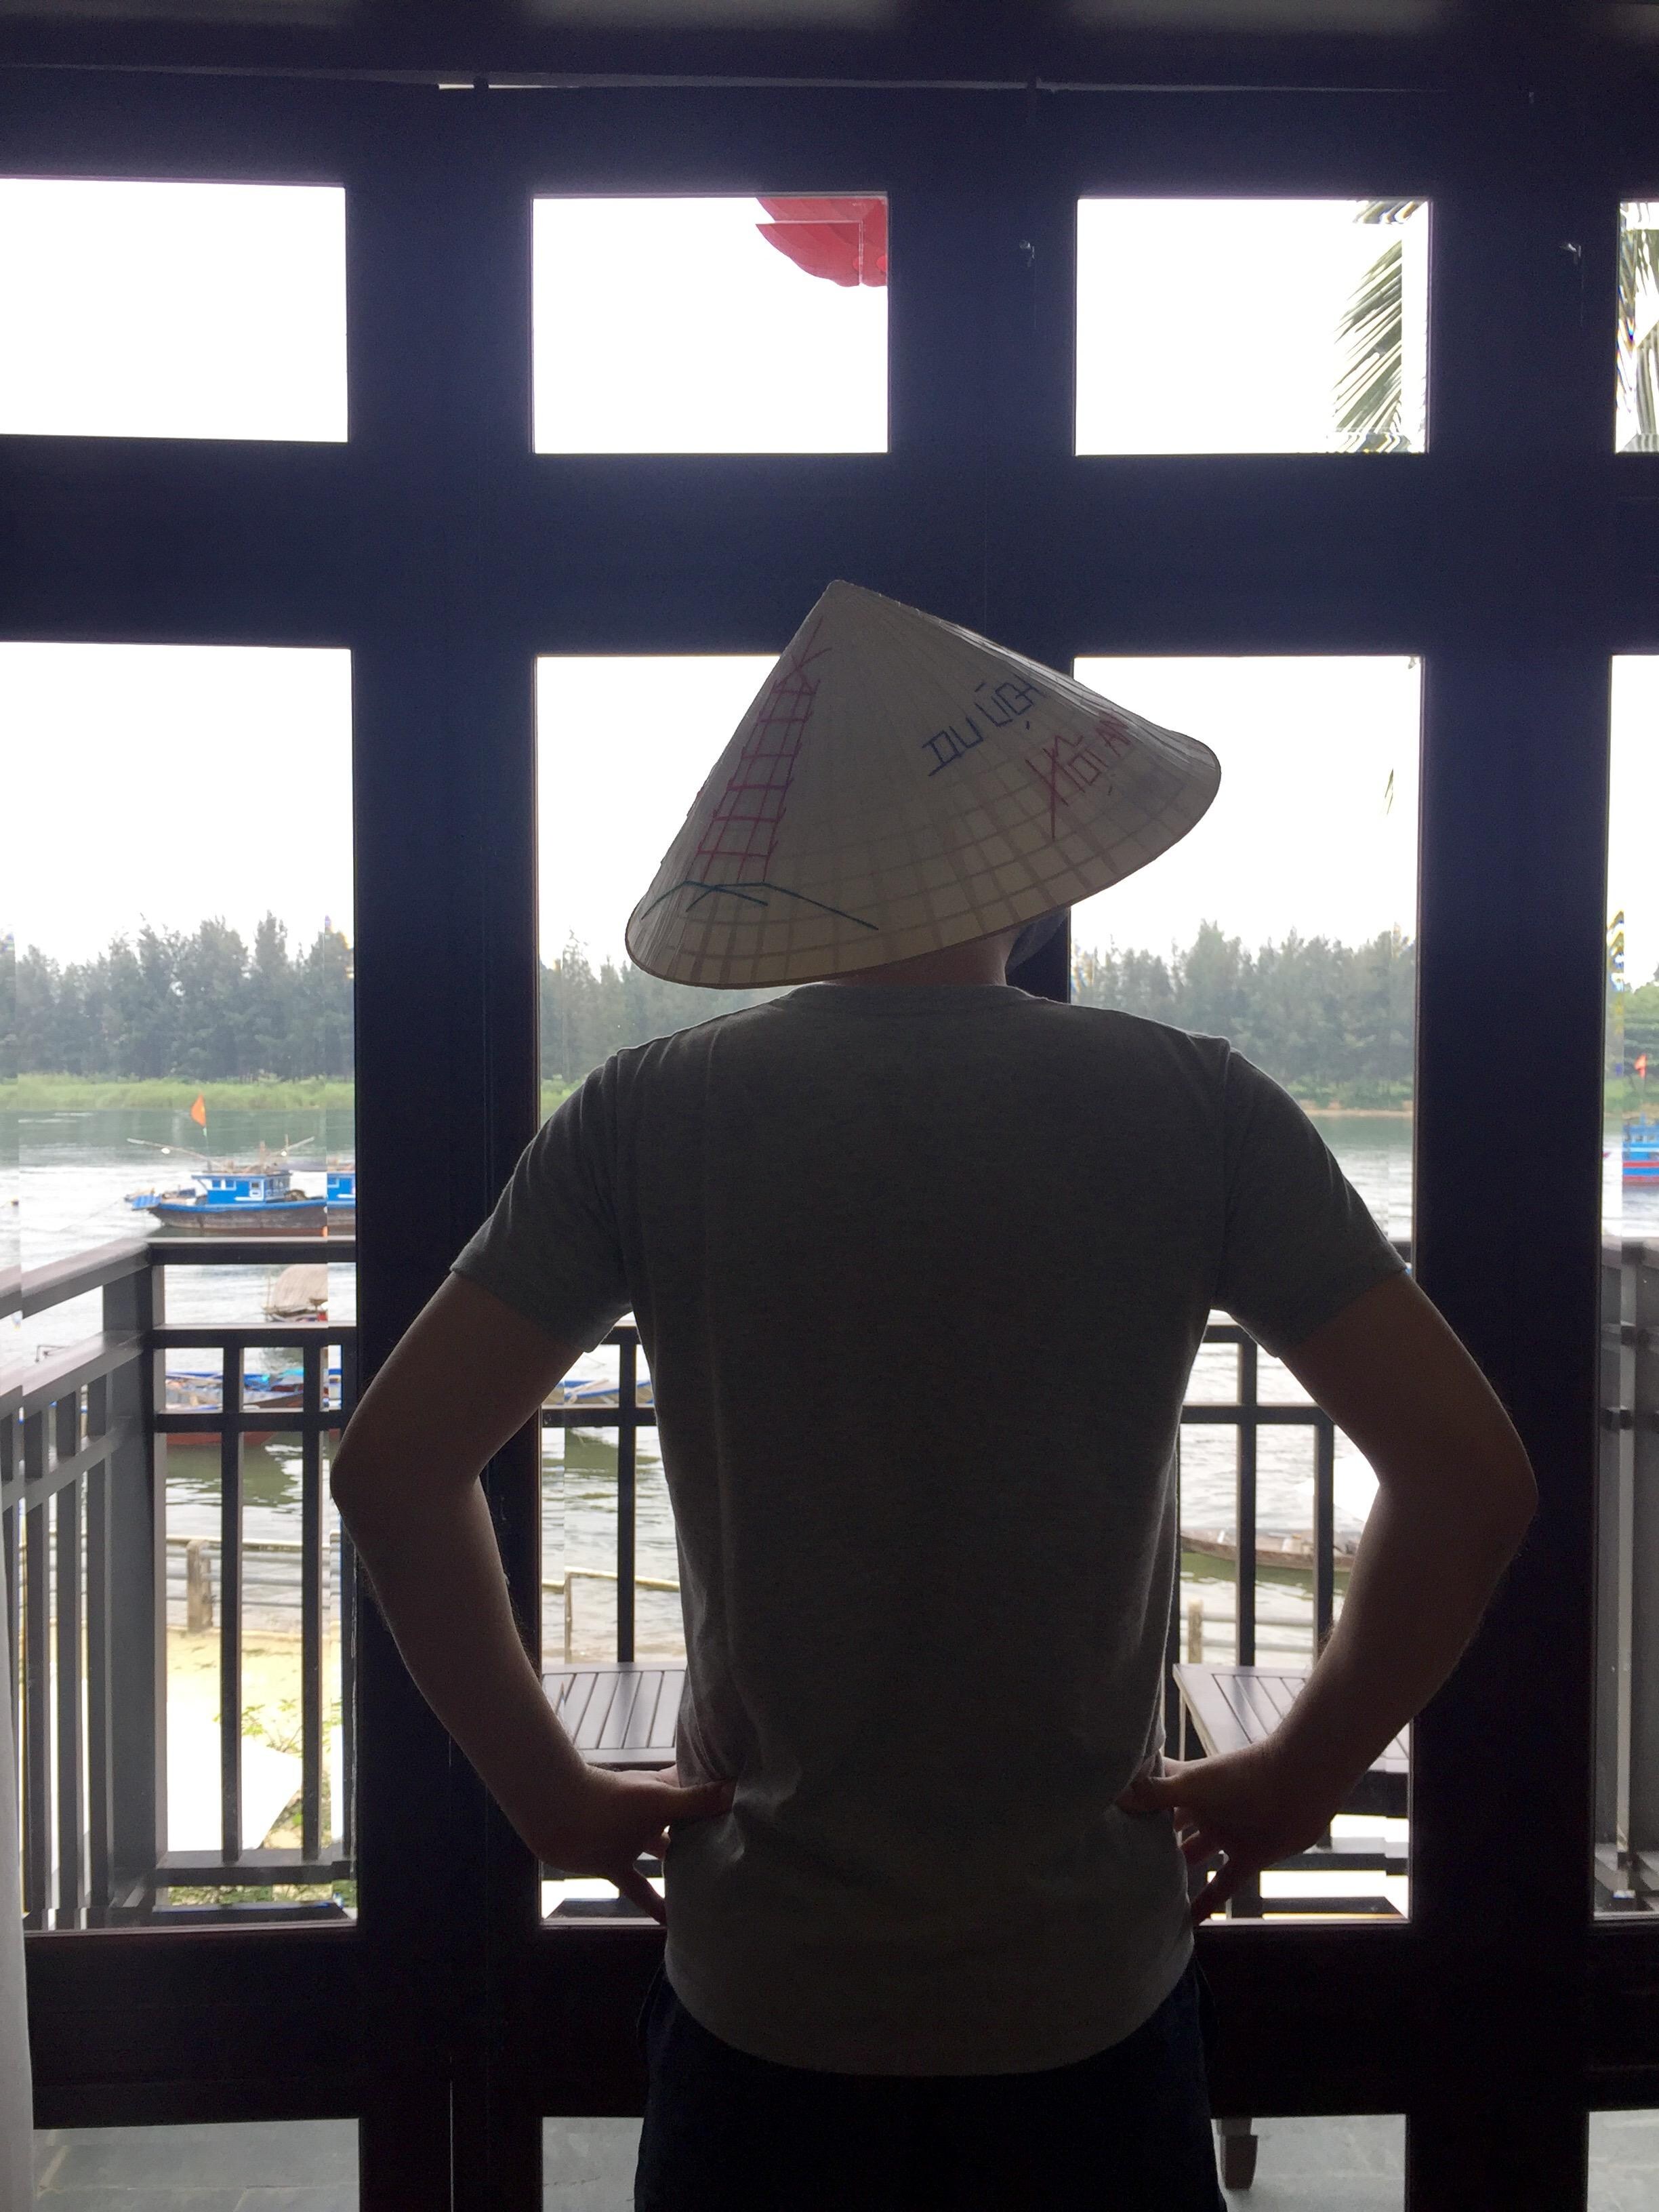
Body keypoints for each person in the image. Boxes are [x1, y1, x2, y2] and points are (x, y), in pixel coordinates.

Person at [331, 583, 1537, 2210]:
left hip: (763, 1990)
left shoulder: (646, 1114)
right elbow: (1471, 1481)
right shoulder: (1197, 1106)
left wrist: (549, 1796)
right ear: (1032, 861)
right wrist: (1299, 1775)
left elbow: (394, 1471)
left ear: (794, 869)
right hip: (1087, 1990)